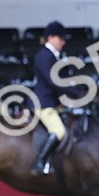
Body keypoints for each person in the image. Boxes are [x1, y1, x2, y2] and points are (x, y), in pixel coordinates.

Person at [30, 20, 69, 175]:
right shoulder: (44, 56)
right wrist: (74, 91)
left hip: (51, 101)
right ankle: (39, 162)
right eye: (61, 39)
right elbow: (54, 81)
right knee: (59, 131)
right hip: (43, 103)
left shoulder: (53, 56)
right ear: (51, 38)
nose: (63, 42)